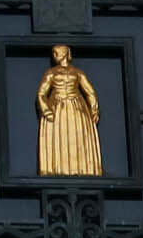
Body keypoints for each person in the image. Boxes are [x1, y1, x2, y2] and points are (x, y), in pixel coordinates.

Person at [36, 45, 103, 177]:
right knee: (59, 139)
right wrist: (46, 110)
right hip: (57, 109)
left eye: (57, 52)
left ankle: (83, 169)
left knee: (78, 138)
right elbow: (41, 93)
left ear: (66, 53)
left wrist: (94, 110)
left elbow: (90, 92)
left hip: (77, 109)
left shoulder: (78, 73)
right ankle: (56, 169)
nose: (55, 55)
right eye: (54, 53)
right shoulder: (51, 73)